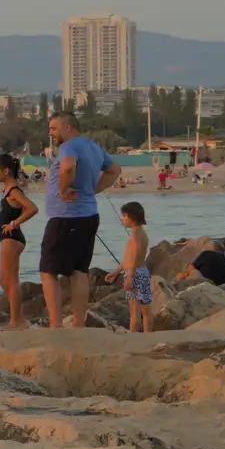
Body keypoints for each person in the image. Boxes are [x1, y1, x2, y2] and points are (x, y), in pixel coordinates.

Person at [39, 112, 121, 329]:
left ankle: (55, 325)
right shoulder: (92, 147)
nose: (50, 132)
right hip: (88, 216)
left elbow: (67, 166)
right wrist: (93, 190)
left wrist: (63, 189)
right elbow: (115, 170)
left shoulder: (69, 146)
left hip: (66, 218)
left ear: (67, 128)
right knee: (79, 272)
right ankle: (78, 323)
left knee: (48, 271)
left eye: (53, 128)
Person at [0, 153, 38, 329]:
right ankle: (17, 318)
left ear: (6, 171)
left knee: (10, 280)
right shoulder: (7, 190)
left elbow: (32, 208)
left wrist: (15, 223)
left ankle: (17, 321)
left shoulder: (14, 191)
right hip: (7, 239)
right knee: (4, 280)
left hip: (12, 239)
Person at [107, 201, 153, 332]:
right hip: (142, 272)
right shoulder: (141, 233)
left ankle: (133, 338)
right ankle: (147, 336)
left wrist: (129, 277)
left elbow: (135, 256)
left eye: (124, 216)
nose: (122, 219)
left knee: (134, 310)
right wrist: (116, 272)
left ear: (131, 217)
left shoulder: (134, 235)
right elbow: (129, 258)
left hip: (135, 273)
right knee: (145, 308)